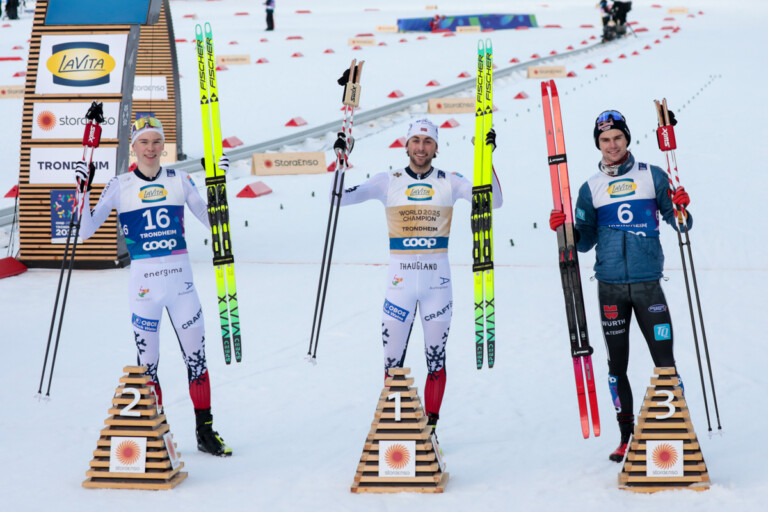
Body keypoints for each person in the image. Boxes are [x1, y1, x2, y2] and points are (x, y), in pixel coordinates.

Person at [75, 116, 233, 457]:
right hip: (144, 288)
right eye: (144, 142)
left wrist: (217, 183)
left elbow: (216, 223)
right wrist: (82, 189)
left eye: (156, 142)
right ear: (133, 147)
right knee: (148, 365)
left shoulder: (181, 179)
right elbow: (85, 230)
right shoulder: (119, 185)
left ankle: (205, 431)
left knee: (197, 360)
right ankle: (156, 432)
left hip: (182, 287)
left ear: (164, 146)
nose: (150, 149)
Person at [335, 118, 503, 433]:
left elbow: (493, 200)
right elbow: (340, 198)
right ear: (406, 144)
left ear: (436, 147)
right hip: (398, 287)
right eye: (416, 141)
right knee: (391, 365)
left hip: (437, 287)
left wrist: (486, 157)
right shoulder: (389, 180)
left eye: (427, 142)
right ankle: (395, 428)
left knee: (436, 362)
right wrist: (341, 164)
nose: (421, 148)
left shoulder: (450, 181)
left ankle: (432, 430)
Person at [549, 110, 691, 462]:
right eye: (605, 140)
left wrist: (682, 207)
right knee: (617, 366)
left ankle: (675, 431)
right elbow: (583, 244)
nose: (612, 145)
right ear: (598, 144)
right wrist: (565, 229)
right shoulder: (589, 189)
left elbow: (682, 225)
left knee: (665, 362)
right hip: (610, 288)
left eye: (617, 138)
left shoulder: (652, 176)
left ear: (627, 139)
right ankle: (626, 436)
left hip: (648, 288)